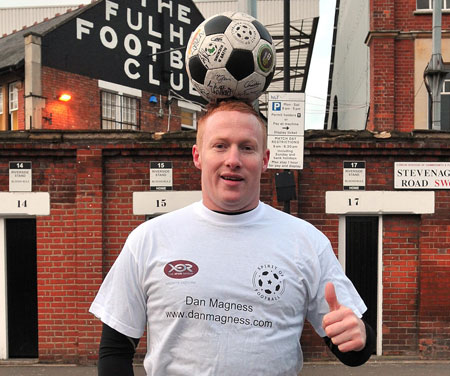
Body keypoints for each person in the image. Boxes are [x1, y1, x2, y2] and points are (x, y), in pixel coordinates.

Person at [89, 99, 375, 375]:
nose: (233, 160)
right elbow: (115, 350)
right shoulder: (149, 239)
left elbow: (355, 352)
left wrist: (356, 335)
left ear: (264, 160)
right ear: (198, 156)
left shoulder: (306, 242)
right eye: (220, 146)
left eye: (247, 148)